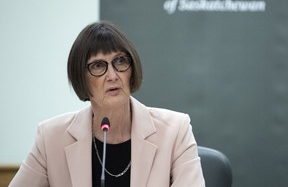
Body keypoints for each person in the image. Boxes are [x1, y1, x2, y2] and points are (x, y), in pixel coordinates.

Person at [9, 21, 205, 187]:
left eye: (120, 61)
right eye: (98, 66)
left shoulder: (175, 131)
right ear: (81, 78)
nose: (113, 76)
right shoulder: (51, 137)